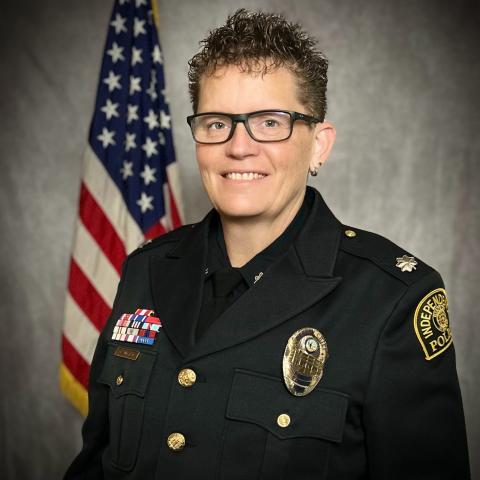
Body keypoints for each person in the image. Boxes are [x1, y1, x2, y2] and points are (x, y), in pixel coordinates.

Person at [64, 9, 470, 480]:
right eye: (217, 123)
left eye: (270, 122)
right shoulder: (146, 269)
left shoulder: (392, 300)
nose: (239, 146)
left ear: (319, 144)